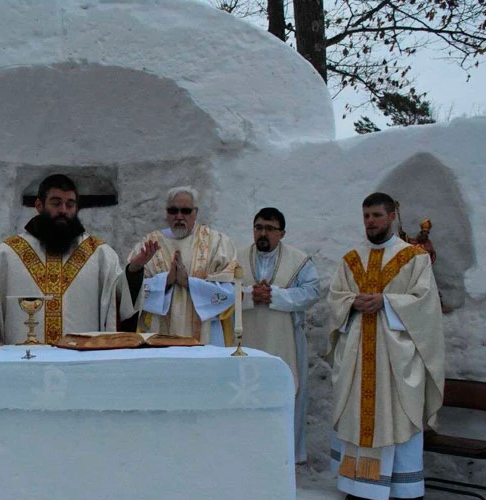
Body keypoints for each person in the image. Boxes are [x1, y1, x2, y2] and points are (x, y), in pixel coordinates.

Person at [327, 193, 444, 500]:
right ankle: (358, 487)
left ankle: (402, 489)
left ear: (392, 216)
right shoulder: (351, 259)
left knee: (399, 416)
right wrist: (352, 302)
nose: (370, 221)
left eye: (377, 215)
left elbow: (426, 304)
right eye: (366, 216)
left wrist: (386, 302)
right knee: (358, 417)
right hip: (357, 355)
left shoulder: (414, 258)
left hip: (395, 360)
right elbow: (335, 298)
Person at [0, 174, 136, 344]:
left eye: (70, 205)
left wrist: (135, 271)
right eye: (56, 203)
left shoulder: (99, 254)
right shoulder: (9, 253)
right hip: (23, 361)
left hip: (80, 360)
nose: (63, 210)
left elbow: (119, 301)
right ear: (39, 205)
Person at [236, 207, 321, 463]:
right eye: (258, 227)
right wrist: (250, 295)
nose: (263, 233)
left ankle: (284, 459)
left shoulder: (299, 261)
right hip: (245, 341)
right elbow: (219, 291)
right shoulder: (234, 258)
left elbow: (312, 292)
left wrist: (275, 296)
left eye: (270, 229)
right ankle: (245, 455)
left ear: (282, 233)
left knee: (286, 394)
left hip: (286, 342)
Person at [125, 186, 237, 346]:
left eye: (185, 211)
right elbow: (129, 292)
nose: (179, 216)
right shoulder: (148, 245)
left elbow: (230, 291)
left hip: (206, 334)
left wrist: (188, 282)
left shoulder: (217, 243)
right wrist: (165, 281)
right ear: (166, 213)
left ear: (195, 213)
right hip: (158, 331)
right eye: (173, 211)